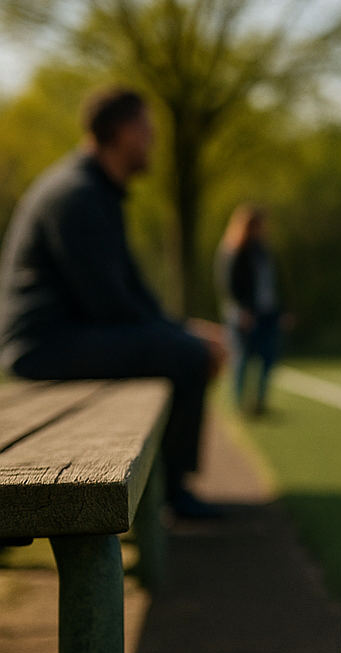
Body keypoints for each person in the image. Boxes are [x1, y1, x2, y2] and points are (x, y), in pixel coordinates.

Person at [0, 85, 225, 518]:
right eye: (147, 129)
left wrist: (185, 329)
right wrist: (187, 341)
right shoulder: (77, 195)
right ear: (125, 133)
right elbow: (108, 304)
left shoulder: (96, 190)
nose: (153, 140)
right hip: (41, 347)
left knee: (186, 346)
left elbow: (133, 294)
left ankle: (169, 486)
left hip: (65, 337)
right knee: (185, 355)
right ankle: (174, 494)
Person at [214, 204, 286, 415]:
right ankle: (239, 404)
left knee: (268, 357)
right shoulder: (234, 250)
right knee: (242, 358)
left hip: (267, 312)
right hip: (244, 314)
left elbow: (277, 282)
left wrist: (283, 310)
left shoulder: (264, 251)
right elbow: (227, 284)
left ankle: (259, 403)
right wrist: (242, 309)